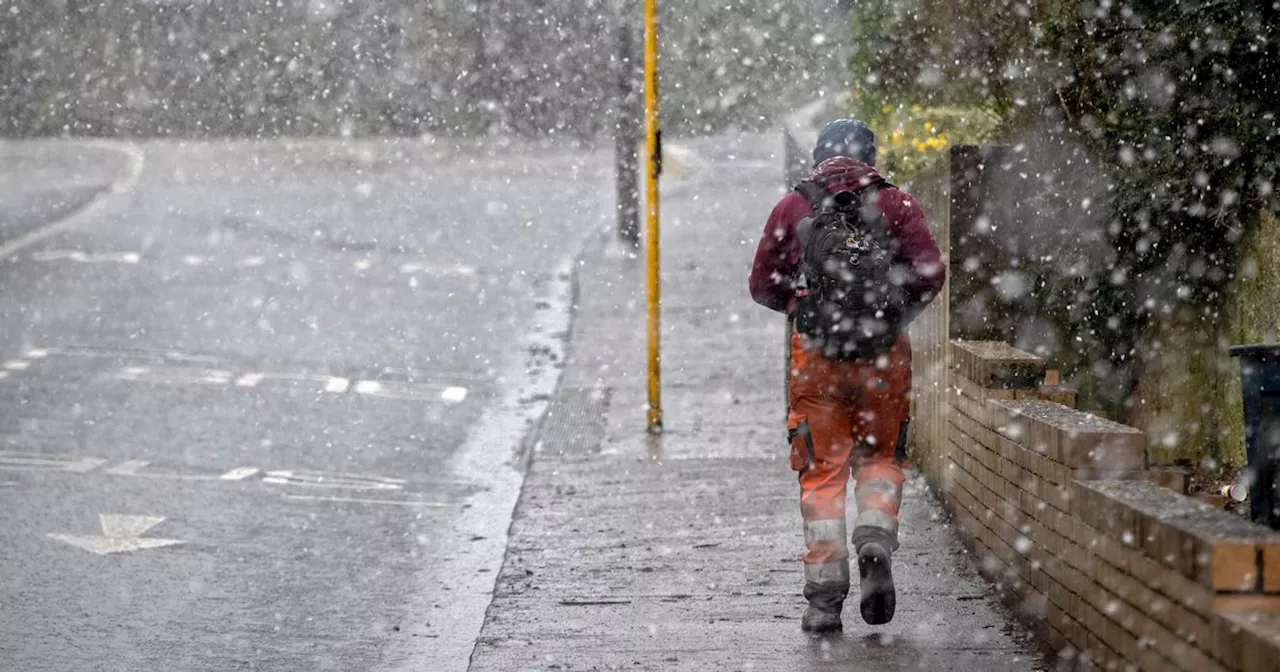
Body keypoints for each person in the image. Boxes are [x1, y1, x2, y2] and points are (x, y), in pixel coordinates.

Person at [749, 119, 946, 633]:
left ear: (818, 157)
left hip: (816, 358)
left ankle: (823, 599)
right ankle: (876, 536)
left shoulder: (794, 207)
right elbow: (931, 273)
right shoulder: (897, 205)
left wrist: (802, 305)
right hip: (884, 358)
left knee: (822, 474)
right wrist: (891, 316)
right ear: (870, 155)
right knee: (882, 457)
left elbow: (760, 283)